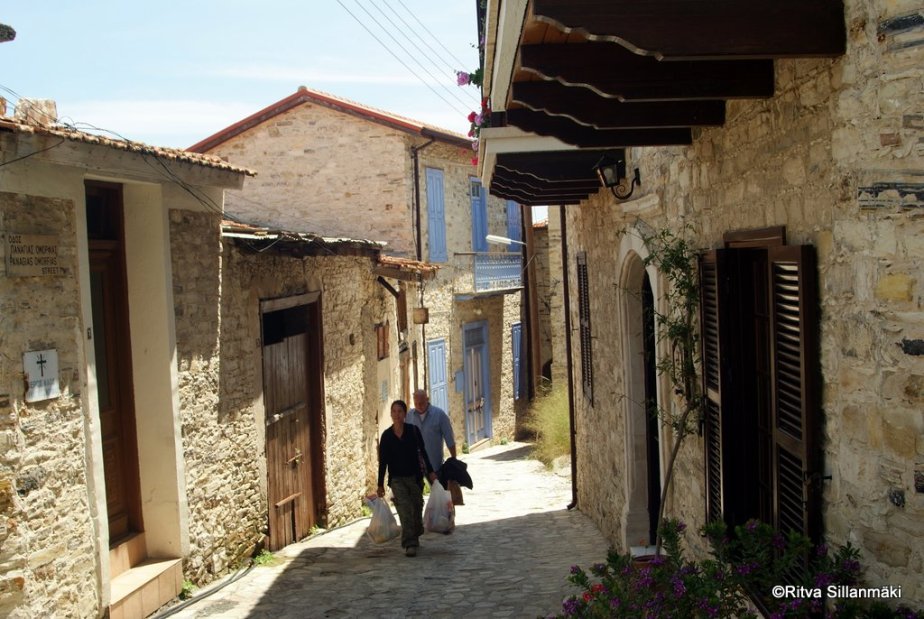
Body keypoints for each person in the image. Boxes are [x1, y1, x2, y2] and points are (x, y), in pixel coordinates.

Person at [377, 399, 437, 557]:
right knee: (404, 509)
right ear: (391, 414)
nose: (396, 415)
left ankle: (415, 532)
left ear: (405, 414)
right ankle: (409, 543)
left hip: (415, 477)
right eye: (394, 411)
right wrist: (380, 484)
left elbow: (423, 453)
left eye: (400, 411)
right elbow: (383, 462)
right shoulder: (387, 436)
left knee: (416, 508)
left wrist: (430, 472)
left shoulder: (413, 431)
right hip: (397, 480)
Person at [406, 389, 456, 475]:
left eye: (421, 403)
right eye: (416, 403)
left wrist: (454, 460)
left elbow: (449, 439)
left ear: (427, 399)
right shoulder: (409, 416)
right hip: (415, 467)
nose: (418, 406)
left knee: (438, 488)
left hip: (435, 467)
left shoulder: (439, 415)